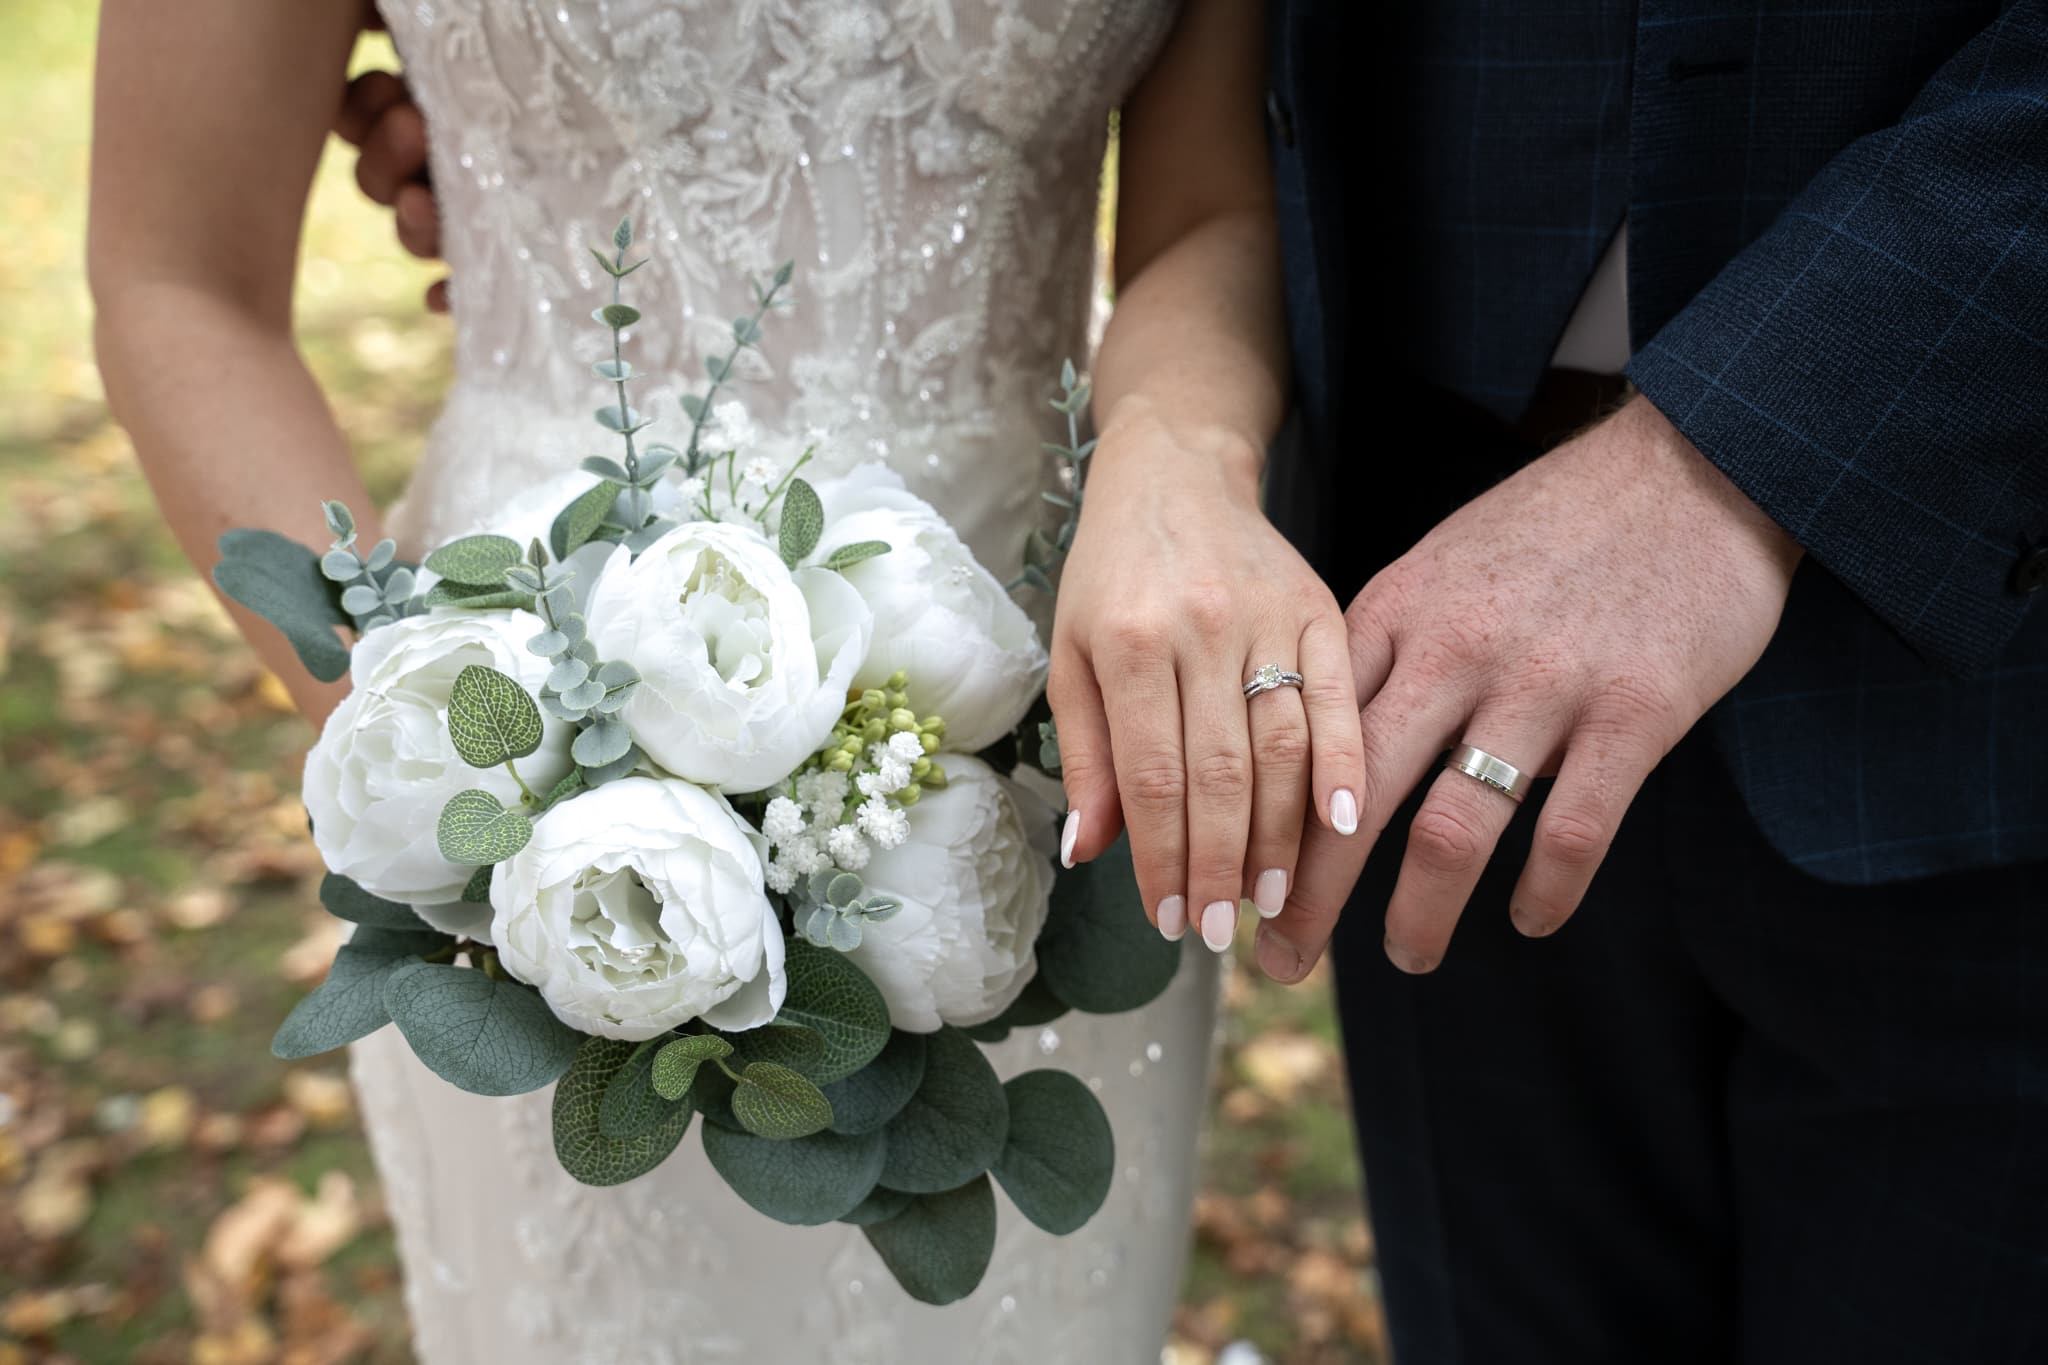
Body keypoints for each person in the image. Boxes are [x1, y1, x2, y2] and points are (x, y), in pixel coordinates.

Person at [88, 0, 1338, 1358]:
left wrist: (1174, 451)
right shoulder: (504, 768)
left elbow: (1221, 198)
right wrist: (447, 749)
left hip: (1044, 709)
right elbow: (178, 276)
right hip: (538, 722)